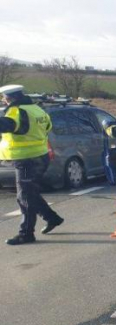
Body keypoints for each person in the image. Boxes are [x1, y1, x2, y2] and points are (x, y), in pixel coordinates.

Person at [0, 85, 64, 245]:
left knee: (25, 196)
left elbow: (9, 126)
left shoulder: (16, 110)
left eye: (3, 98)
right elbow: (48, 127)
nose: (3, 101)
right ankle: (52, 218)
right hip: (39, 156)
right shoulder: (37, 109)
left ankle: (26, 233)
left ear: (9, 98)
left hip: (27, 159)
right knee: (30, 193)